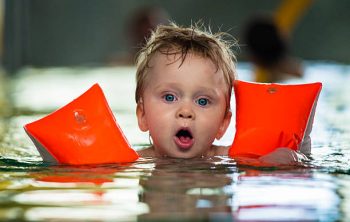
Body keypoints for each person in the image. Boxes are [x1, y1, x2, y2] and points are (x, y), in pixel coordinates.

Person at [133, 23, 307, 165]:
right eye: (169, 97)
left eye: (202, 101)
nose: (186, 111)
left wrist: (293, 159)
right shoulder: (131, 161)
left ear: (223, 124)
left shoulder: (230, 158)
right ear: (143, 115)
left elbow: (281, 164)